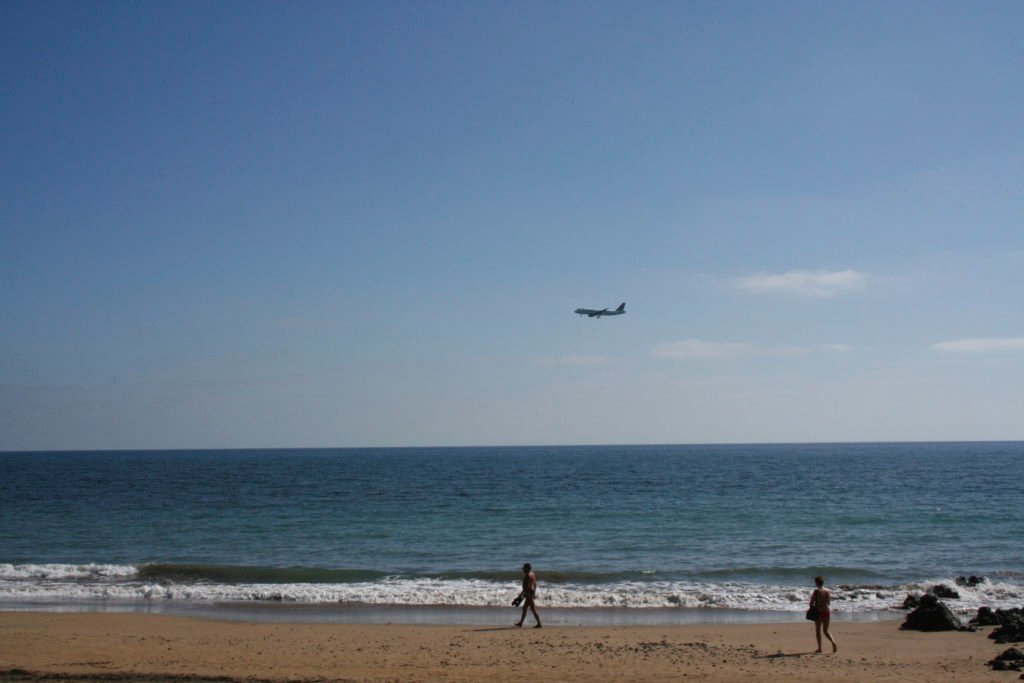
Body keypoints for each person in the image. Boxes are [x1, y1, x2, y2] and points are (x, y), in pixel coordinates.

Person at [810, 575, 837, 653]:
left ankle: (820, 649)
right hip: (826, 612)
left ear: (816, 583)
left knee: (818, 630)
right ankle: (833, 642)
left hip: (819, 612)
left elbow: (811, 603)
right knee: (826, 631)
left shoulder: (816, 591)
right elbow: (828, 603)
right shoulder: (827, 591)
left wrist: (812, 607)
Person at [514, 562, 542, 628]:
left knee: (533, 610)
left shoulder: (528, 576)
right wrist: (534, 593)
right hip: (530, 593)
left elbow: (528, 587)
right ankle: (520, 623)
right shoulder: (532, 574)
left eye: (524, 568)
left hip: (528, 594)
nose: (523, 569)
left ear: (527, 568)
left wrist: (520, 596)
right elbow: (535, 585)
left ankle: (539, 624)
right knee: (525, 608)